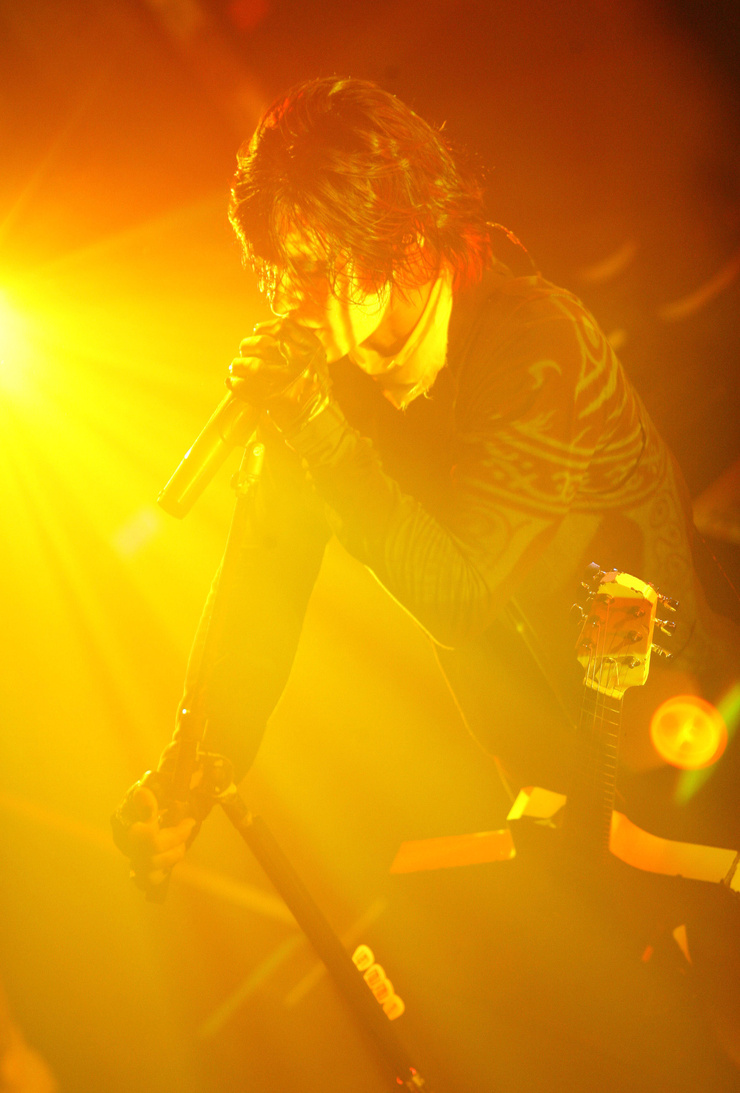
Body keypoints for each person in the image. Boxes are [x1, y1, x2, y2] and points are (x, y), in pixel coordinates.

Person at [114, 75, 739, 894]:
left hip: (689, 728)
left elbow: (460, 595)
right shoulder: (324, 388)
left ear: (402, 238)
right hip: (564, 787)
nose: (292, 295)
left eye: (315, 263)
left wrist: (316, 426)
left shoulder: (535, 342)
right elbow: (261, 582)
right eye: (276, 266)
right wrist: (189, 770)